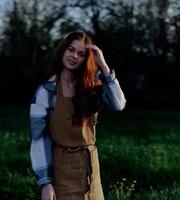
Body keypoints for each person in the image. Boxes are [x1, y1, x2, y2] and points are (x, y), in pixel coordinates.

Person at [29, 31, 126, 200]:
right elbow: (38, 138)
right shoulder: (46, 92)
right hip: (62, 168)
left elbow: (118, 105)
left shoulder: (92, 87)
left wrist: (103, 66)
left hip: (91, 167)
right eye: (71, 49)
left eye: (81, 54)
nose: (74, 56)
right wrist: (45, 183)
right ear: (63, 50)